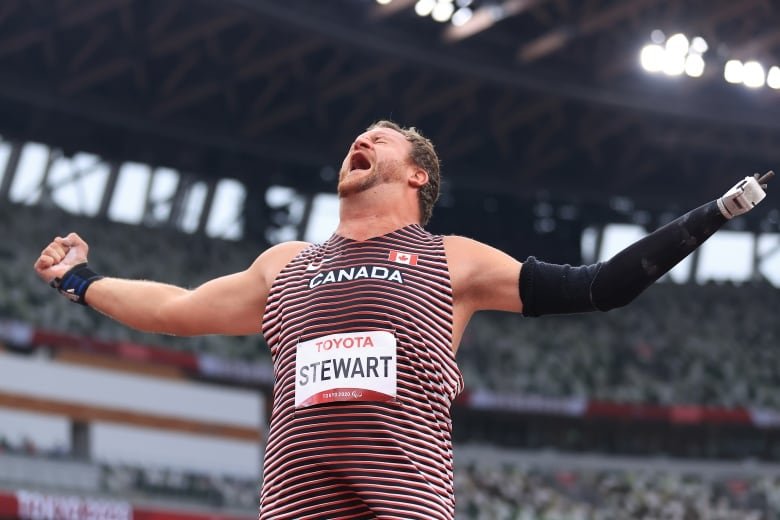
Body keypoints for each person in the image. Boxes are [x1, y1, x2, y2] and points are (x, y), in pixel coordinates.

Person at [34, 120, 771, 520]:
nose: (361, 139)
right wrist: (79, 280)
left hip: (407, 505)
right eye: (357, 136)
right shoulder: (285, 262)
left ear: (418, 173)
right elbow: (171, 310)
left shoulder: (454, 259)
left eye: (381, 137)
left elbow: (602, 286)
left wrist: (712, 214)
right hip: (296, 506)